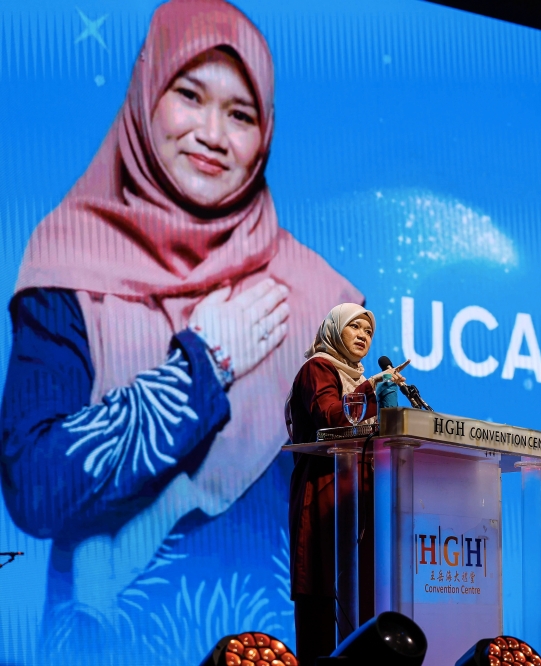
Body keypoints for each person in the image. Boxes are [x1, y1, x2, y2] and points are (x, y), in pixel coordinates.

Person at [0, 0, 362, 662]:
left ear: (267, 134)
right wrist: (201, 366)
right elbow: (36, 489)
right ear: (145, 96)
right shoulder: (68, 265)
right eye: (189, 95)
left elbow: (352, 518)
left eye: (241, 114)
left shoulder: (321, 300)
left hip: (274, 647)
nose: (213, 133)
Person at [286, 303, 404, 666]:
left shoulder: (359, 379)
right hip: (325, 490)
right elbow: (333, 418)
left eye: (368, 331)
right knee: (325, 595)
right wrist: (371, 388)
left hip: (362, 493)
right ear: (334, 330)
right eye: (355, 327)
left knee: (366, 592)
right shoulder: (317, 368)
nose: (363, 336)